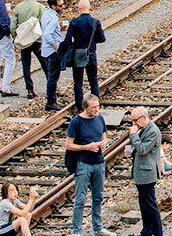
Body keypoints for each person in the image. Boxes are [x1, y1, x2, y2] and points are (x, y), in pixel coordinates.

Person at [67, 94, 110, 236]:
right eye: (93, 108)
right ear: (85, 108)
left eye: (97, 106)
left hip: (99, 162)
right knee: (80, 198)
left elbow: (104, 136)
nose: (96, 110)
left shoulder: (100, 118)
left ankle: (97, 227)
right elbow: (68, 145)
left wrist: (103, 143)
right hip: (83, 163)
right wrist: (87, 147)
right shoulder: (76, 122)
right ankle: (76, 231)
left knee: (98, 197)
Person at [129, 107, 170, 236]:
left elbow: (143, 150)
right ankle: (146, 231)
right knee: (144, 205)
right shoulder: (143, 128)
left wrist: (133, 135)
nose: (134, 124)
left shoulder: (153, 131)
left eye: (135, 120)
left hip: (147, 173)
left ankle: (157, 233)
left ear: (144, 117)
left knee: (150, 205)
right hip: (141, 172)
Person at [63, 0, 105, 111]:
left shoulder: (74, 22)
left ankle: (80, 106)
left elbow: (67, 41)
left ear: (78, 8)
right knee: (93, 80)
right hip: (91, 53)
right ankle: (95, 105)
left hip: (78, 54)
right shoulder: (95, 22)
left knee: (78, 82)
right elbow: (102, 39)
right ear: (90, 8)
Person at [9, 0, 45, 100]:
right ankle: (52, 86)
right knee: (44, 62)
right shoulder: (40, 7)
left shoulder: (18, 7)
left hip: (24, 40)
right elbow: (44, 22)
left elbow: (12, 26)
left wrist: (15, 36)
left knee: (26, 64)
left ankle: (29, 89)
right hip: (37, 38)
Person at [40, 0, 64, 113]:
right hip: (53, 51)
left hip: (46, 50)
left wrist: (59, 29)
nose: (63, 7)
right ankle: (51, 101)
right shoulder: (54, 18)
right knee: (53, 77)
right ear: (54, 6)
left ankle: (51, 100)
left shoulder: (46, 14)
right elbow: (47, 34)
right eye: (60, 6)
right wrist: (55, 46)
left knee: (51, 75)